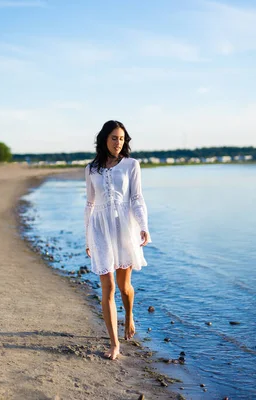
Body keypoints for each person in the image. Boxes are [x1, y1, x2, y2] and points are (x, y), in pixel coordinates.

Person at [84, 120, 151, 360]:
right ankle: (114, 344)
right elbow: (90, 203)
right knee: (108, 288)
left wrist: (144, 226)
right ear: (104, 139)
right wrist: (88, 238)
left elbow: (137, 198)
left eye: (121, 139)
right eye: (114, 138)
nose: (118, 142)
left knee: (124, 287)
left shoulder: (132, 165)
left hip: (124, 228)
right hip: (100, 228)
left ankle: (129, 316)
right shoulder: (91, 168)